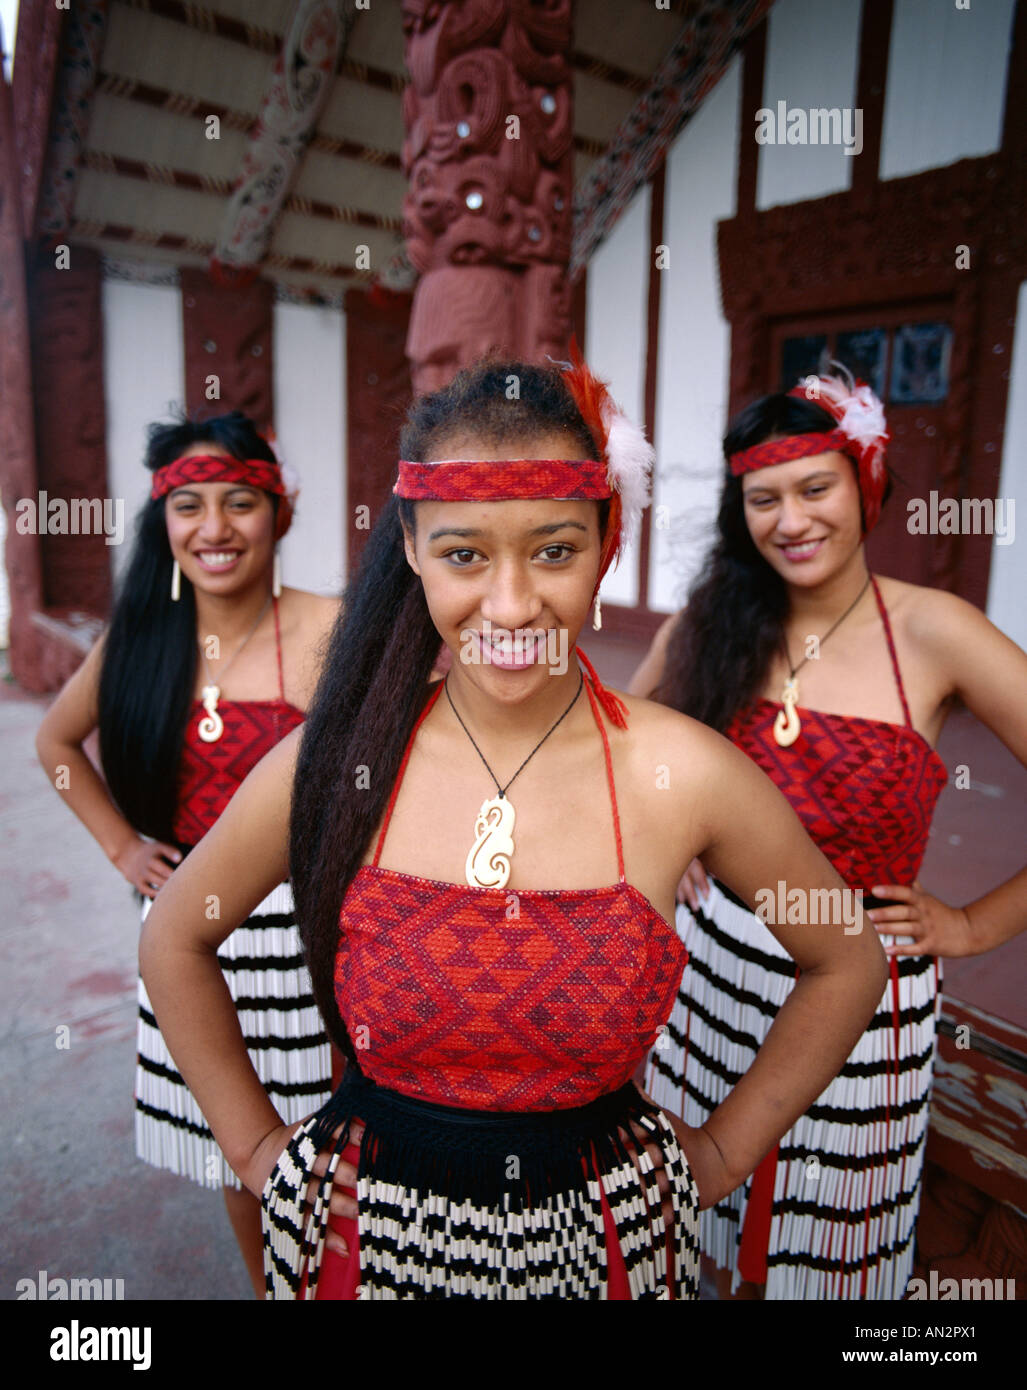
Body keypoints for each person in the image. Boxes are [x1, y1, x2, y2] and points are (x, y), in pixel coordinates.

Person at [139, 359, 888, 1300]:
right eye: (463, 555)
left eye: (553, 551)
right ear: (409, 548)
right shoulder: (334, 763)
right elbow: (175, 933)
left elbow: (847, 959)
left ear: (606, 541)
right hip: (366, 1236)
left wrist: (719, 1156)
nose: (510, 606)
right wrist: (255, 1147)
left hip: (605, 1240)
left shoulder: (682, 773)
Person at [630, 372, 1027, 1300]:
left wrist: (973, 925)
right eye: (763, 498)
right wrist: (674, 831)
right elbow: (621, 742)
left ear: (866, 484)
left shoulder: (938, 632)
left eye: (816, 488)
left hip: (861, 998)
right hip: (708, 975)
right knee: (695, 1224)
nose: (791, 519)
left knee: (825, 1262)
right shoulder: (714, 623)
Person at [35, 412, 339, 1297]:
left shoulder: (330, 628)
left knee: (340, 1134)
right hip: (193, 943)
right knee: (244, 1144)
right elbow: (56, 746)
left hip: (320, 933)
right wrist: (125, 849)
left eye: (239, 502)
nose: (214, 529)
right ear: (162, 522)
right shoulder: (137, 643)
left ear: (279, 511)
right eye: (189, 507)